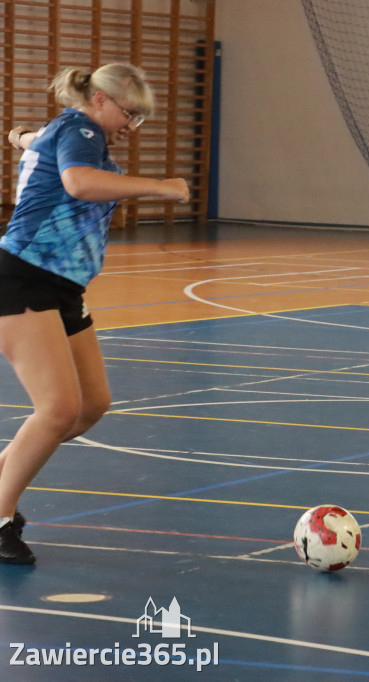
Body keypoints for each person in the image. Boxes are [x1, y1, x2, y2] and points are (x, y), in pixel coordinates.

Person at [0, 64, 190, 564]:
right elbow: (79, 184)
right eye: (129, 114)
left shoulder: (67, 130)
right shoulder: (81, 131)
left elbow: (30, 138)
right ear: (101, 100)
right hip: (25, 277)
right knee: (58, 409)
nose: (131, 126)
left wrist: (21, 136)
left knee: (91, 405)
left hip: (64, 287)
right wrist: (159, 186)